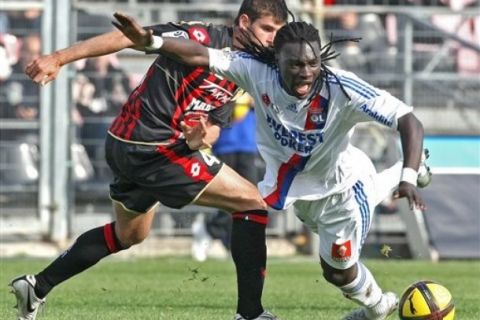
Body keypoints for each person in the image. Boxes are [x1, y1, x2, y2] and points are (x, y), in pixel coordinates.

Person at [113, 16, 432, 320]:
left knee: (338, 271)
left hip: (343, 190)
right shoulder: (255, 71)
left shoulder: (342, 88)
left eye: (312, 63)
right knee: (330, 264)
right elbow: (200, 54)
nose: (306, 72)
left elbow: (408, 120)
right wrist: (151, 41)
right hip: (300, 190)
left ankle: (377, 307)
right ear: (276, 60)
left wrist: (408, 177)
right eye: (295, 64)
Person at [12, 2, 289, 320]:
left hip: (133, 146)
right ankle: (251, 314)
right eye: (267, 29)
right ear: (244, 22)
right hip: (151, 144)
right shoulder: (200, 36)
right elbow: (132, 37)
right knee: (251, 203)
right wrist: (58, 58)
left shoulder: (244, 69)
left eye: (278, 33)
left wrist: (200, 137)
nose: (272, 39)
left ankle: (37, 286)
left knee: (128, 235)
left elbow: (212, 126)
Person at [192, 94, 259, 262]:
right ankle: (211, 230)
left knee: (250, 200)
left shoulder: (253, 81)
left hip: (247, 145)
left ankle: (229, 242)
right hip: (224, 145)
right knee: (229, 198)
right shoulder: (224, 83)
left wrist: (255, 100)